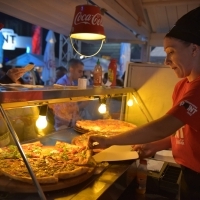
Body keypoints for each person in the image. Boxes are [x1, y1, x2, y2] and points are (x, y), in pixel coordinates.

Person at [88, 7, 200, 200]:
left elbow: (164, 126)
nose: (166, 60)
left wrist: (109, 140)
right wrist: (155, 145)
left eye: (171, 52)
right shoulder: (182, 85)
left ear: (194, 49)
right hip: (188, 172)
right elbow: (182, 131)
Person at [49, 58, 87, 130]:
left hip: (70, 124)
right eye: (79, 71)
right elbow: (59, 110)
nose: (82, 74)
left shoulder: (71, 83)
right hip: (62, 126)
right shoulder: (61, 84)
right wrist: (80, 106)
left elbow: (71, 104)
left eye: (82, 72)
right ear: (71, 69)